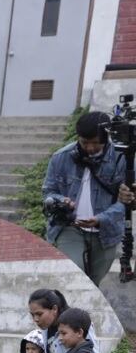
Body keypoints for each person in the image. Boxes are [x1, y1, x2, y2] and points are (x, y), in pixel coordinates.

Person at [42, 111, 127, 286]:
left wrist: (100, 219)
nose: (89, 147)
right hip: (69, 227)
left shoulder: (122, 159)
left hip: (106, 232)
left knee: (93, 284)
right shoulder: (61, 157)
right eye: (84, 142)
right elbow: (48, 191)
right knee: (75, 278)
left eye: (95, 143)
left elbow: (125, 202)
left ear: (106, 138)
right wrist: (61, 201)